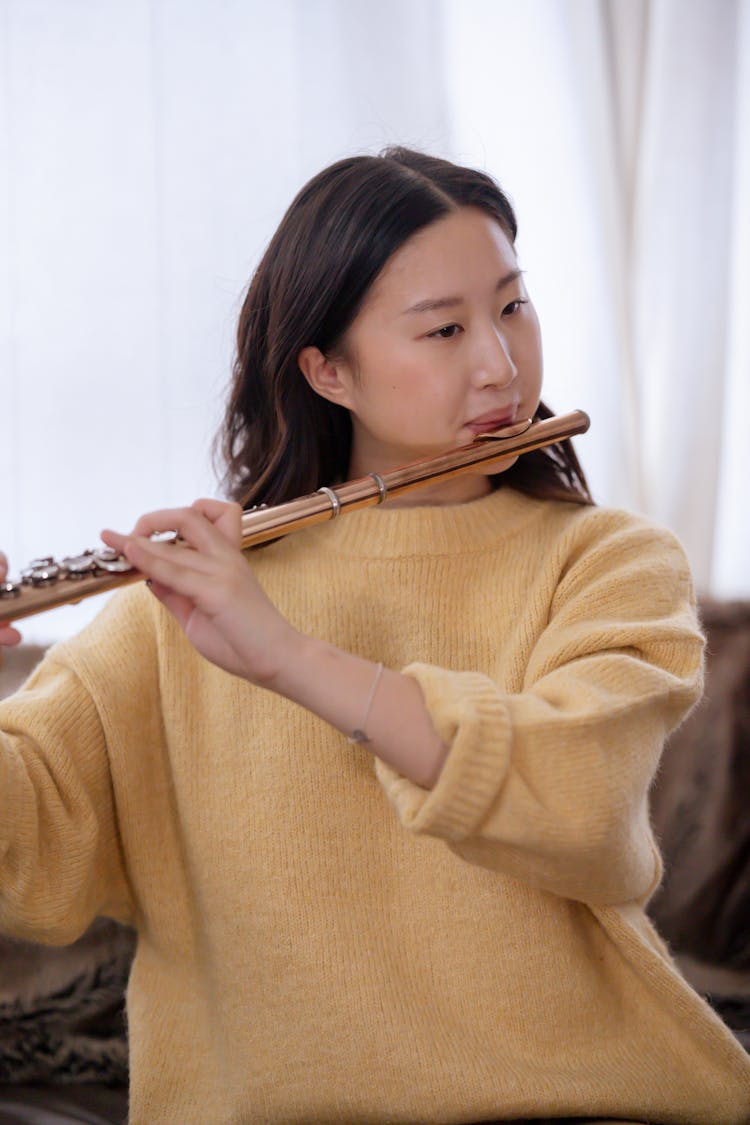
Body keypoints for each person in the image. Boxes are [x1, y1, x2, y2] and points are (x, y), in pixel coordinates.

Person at [0, 148, 748, 1125]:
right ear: (326, 369)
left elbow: (585, 809)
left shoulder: (608, 563)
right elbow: (32, 860)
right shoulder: (185, 603)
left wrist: (291, 657)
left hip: (583, 1106)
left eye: (514, 307)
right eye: (444, 328)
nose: (501, 363)